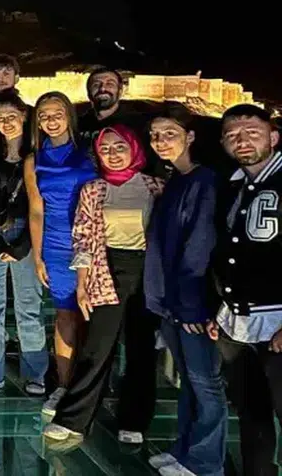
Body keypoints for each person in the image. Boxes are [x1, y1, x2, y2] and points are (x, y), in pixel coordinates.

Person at [43, 124, 161, 444]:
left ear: (134, 149)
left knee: (141, 349)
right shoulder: (94, 189)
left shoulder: (155, 186)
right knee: (97, 346)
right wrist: (82, 284)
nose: (113, 154)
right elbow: (82, 238)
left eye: (120, 147)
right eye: (105, 149)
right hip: (107, 269)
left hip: (148, 273)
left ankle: (134, 421)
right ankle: (74, 419)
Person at [142, 105, 225, 476]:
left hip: (192, 305)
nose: (161, 141)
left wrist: (192, 306)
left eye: (170, 134)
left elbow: (200, 246)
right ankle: (185, 451)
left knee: (205, 383)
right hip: (171, 302)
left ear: (190, 137)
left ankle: (205, 464)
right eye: (155, 136)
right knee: (190, 382)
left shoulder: (204, 182)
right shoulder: (176, 179)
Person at [209, 104, 282, 476]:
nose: (242, 141)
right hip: (236, 325)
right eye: (233, 135)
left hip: (277, 322)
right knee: (252, 417)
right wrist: (219, 307)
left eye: (252, 132)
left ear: (274, 137)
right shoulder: (232, 185)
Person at [0, 93, 47, 397]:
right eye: (0, 117)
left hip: (27, 236)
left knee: (29, 307)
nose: (6, 122)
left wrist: (22, 246)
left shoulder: (38, 155)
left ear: (24, 116)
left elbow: (41, 205)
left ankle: (36, 373)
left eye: (11, 115)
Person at [24, 91, 96, 416]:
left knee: (94, 316)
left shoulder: (90, 152)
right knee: (65, 314)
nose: (50, 121)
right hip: (55, 244)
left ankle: (90, 385)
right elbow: (36, 210)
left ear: (69, 116)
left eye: (56, 114)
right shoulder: (34, 160)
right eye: (43, 116)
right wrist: (38, 255)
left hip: (91, 242)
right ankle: (64, 386)